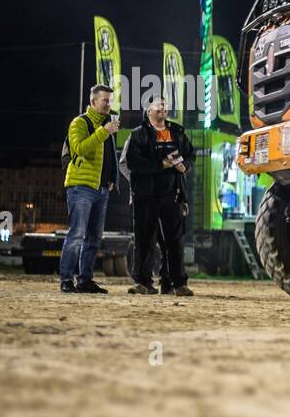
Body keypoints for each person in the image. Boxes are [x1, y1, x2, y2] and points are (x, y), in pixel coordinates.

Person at [121, 99, 195, 296]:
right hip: (145, 197)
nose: (163, 108)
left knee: (174, 242)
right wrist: (161, 164)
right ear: (148, 111)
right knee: (144, 241)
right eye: (158, 106)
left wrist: (184, 166)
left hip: (172, 196)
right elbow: (133, 163)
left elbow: (190, 155)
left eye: (165, 106)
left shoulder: (178, 133)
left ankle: (176, 284)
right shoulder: (138, 135)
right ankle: (143, 283)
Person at [60, 84, 120, 293]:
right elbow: (80, 149)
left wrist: (112, 179)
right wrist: (104, 131)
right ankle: (66, 280)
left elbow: (111, 155)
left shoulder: (107, 124)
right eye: (105, 101)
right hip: (81, 187)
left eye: (110, 101)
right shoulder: (80, 122)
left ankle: (85, 280)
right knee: (76, 235)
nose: (108, 105)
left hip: (101, 189)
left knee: (94, 238)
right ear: (93, 101)